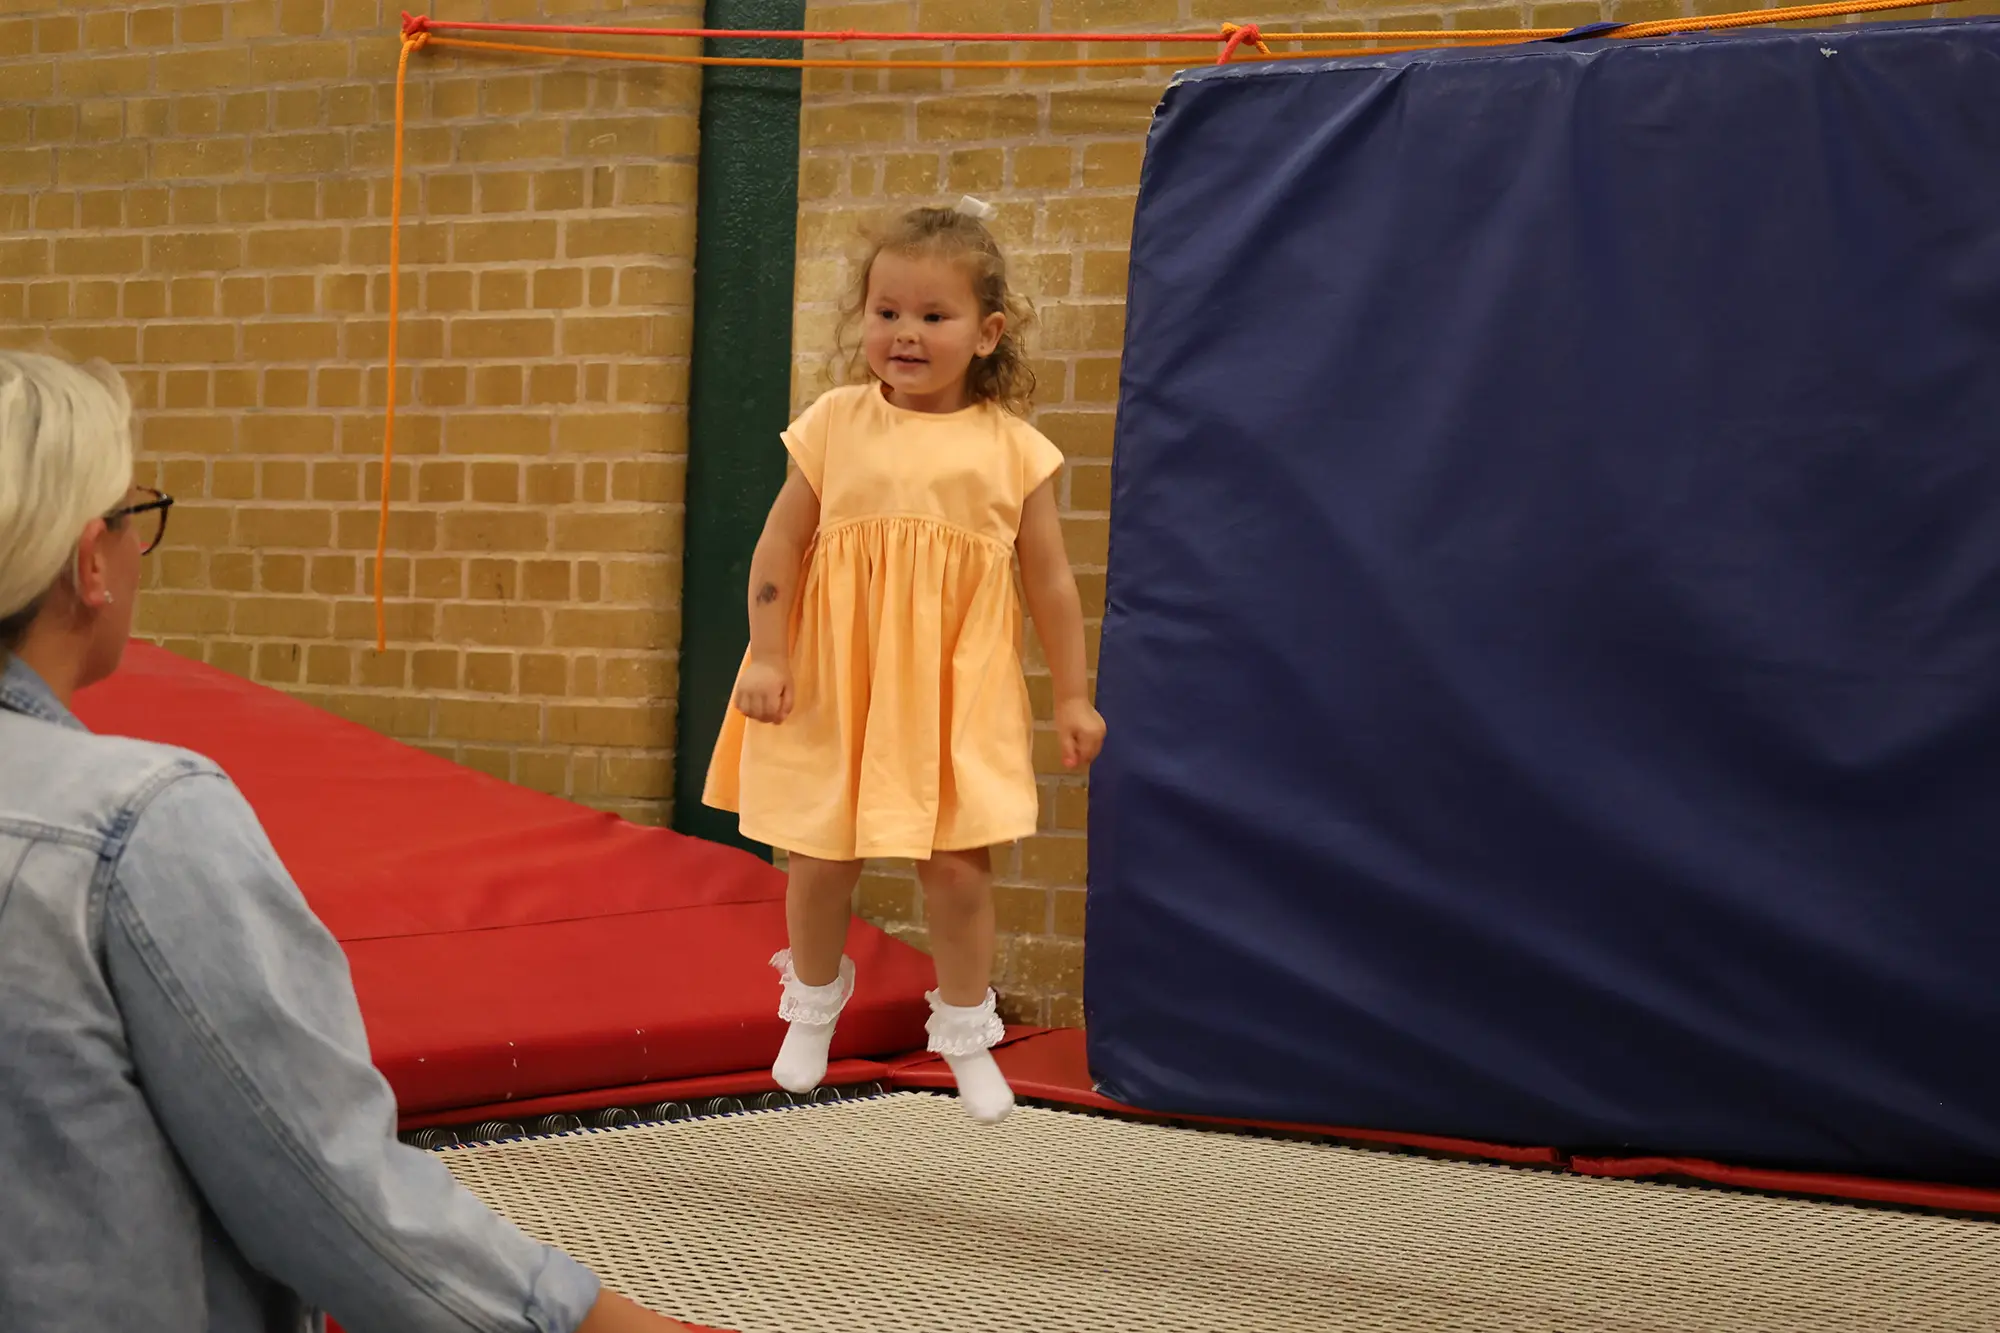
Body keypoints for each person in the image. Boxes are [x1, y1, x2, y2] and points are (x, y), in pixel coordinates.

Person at [0, 349, 694, 1333]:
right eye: (133, 515)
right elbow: (324, 1187)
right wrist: (593, 1321)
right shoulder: (134, 821)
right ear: (90, 562)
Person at [702, 198, 1108, 1124]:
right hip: (834, 673)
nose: (906, 333)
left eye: (934, 314)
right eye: (887, 312)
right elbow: (779, 546)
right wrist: (767, 653)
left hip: (951, 686)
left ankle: (964, 1028)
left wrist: (1073, 697)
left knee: (959, 867)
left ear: (987, 332)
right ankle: (812, 1001)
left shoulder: (1013, 450)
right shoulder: (835, 424)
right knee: (818, 853)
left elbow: (1050, 583)